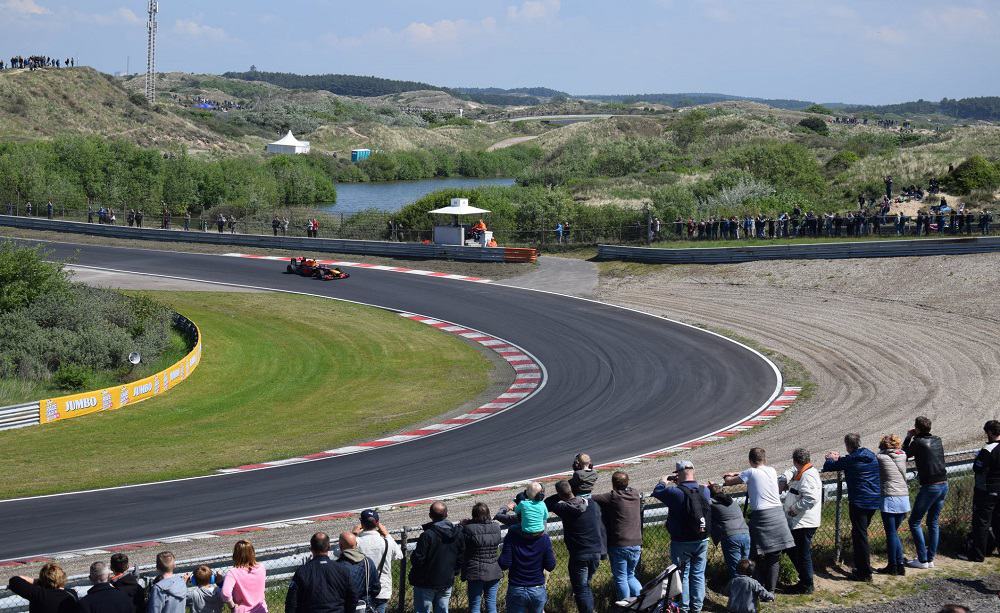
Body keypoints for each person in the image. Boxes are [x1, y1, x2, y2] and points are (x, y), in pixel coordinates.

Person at [722, 448, 793, 593]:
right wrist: (740, 473)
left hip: (762, 516)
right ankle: (770, 591)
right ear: (764, 459)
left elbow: (730, 482)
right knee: (774, 556)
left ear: (750, 460)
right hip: (778, 514)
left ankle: (755, 586)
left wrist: (727, 477)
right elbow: (754, 473)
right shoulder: (772, 470)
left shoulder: (750, 472)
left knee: (752, 552)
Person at [651, 460, 711, 613]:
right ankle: (697, 607)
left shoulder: (674, 492)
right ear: (693, 471)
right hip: (702, 538)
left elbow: (657, 491)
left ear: (678, 474)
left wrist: (663, 481)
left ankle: (684, 607)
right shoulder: (704, 490)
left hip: (682, 541)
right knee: (698, 574)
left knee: (682, 574)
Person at [823, 434, 881, 581]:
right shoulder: (871, 455)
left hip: (859, 502)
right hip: (874, 500)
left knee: (860, 536)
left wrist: (830, 457)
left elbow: (829, 467)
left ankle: (864, 572)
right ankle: (862, 568)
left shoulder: (851, 459)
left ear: (847, 446)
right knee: (860, 534)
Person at [544, 480, 606, 613]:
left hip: (579, 555)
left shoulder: (565, 508)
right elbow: (601, 527)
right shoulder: (591, 505)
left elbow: (547, 503)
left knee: (581, 589)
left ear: (560, 494)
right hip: (595, 551)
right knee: (585, 586)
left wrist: (560, 495)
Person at [903, 416, 948, 569]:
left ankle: (922, 560)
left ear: (917, 429)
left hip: (930, 486)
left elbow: (904, 454)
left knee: (914, 522)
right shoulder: (937, 439)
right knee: (933, 522)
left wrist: (908, 437)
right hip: (943, 483)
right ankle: (930, 558)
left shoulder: (917, 442)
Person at [592, 471, 643, 601]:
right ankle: (642, 602)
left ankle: (625, 606)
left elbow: (591, 498)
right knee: (630, 575)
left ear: (613, 484)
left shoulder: (613, 497)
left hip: (619, 544)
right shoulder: (635, 494)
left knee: (621, 578)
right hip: (636, 543)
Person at [777, 448, 821, 594]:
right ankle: (804, 581)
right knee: (793, 550)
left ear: (795, 460)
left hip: (803, 522)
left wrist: (794, 509)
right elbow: (791, 470)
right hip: (799, 522)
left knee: (802, 554)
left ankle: (807, 584)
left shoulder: (807, 476)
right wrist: (784, 479)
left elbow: (811, 498)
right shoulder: (803, 470)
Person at [409, 501, 464, 613]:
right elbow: (461, 556)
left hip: (425, 582)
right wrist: (454, 572)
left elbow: (417, 559)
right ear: (446, 514)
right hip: (446, 580)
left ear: (430, 515)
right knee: (443, 609)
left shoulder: (427, 535)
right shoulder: (458, 533)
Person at [285, 532, 357, 613]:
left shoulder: (302, 572)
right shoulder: (343, 570)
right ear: (329, 547)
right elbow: (353, 599)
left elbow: (291, 603)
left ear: (311, 548)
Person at [962, 420, 1000, 562]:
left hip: (986, 491)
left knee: (981, 523)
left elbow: (977, 468)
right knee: (998, 521)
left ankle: (977, 555)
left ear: (990, 432)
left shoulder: (988, 449)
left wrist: (978, 457)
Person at [498, 523, 556, 613]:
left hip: (516, 587)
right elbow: (550, 565)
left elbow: (504, 564)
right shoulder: (544, 538)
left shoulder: (511, 537)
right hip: (537, 588)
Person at [354, 510, 403, 613]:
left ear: (361, 524)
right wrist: (387, 534)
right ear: (377, 523)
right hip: (382, 589)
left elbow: (336, 552)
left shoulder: (356, 542)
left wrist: (353, 534)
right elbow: (399, 555)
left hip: (361, 590)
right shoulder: (387, 541)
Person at [877, 434, 911, 576]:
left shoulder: (880, 457)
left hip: (890, 497)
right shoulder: (902, 455)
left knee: (891, 533)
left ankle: (893, 565)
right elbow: (903, 449)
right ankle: (899, 564)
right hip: (904, 497)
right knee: (894, 533)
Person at [459, 503, 502, 613]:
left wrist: (462, 526)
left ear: (473, 515)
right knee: (491, 604)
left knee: (474, 605)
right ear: (488, 514)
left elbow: (461, 543)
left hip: (475, 572)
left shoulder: (468, 529)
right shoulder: (496, 527)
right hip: (493, 570)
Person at [707, 483, 750, 585]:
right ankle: (749, 590)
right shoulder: (732, 501)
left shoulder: (711, 502)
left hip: (731, 536)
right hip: (745, 533)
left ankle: (738, 593)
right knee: (745, 566)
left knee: (735, 568)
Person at [6, 563, 78, 613]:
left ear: (42, 579)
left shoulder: (38, 594)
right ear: (63, 577)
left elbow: (15, 580)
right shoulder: (72, 594)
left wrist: (36, 581)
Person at [335, 532, 379, 610]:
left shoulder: (336, 567)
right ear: (356, 544)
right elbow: (376, 588)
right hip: (366, 607)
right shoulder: (368, 562)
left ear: (340, 546)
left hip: (346, 608)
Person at [221, 540, 267, 613]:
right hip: (261, 609)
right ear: (252, 552)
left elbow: (225, 593)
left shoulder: (233, 572)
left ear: (235, 555)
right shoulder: (261, 567)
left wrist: (232, 607)